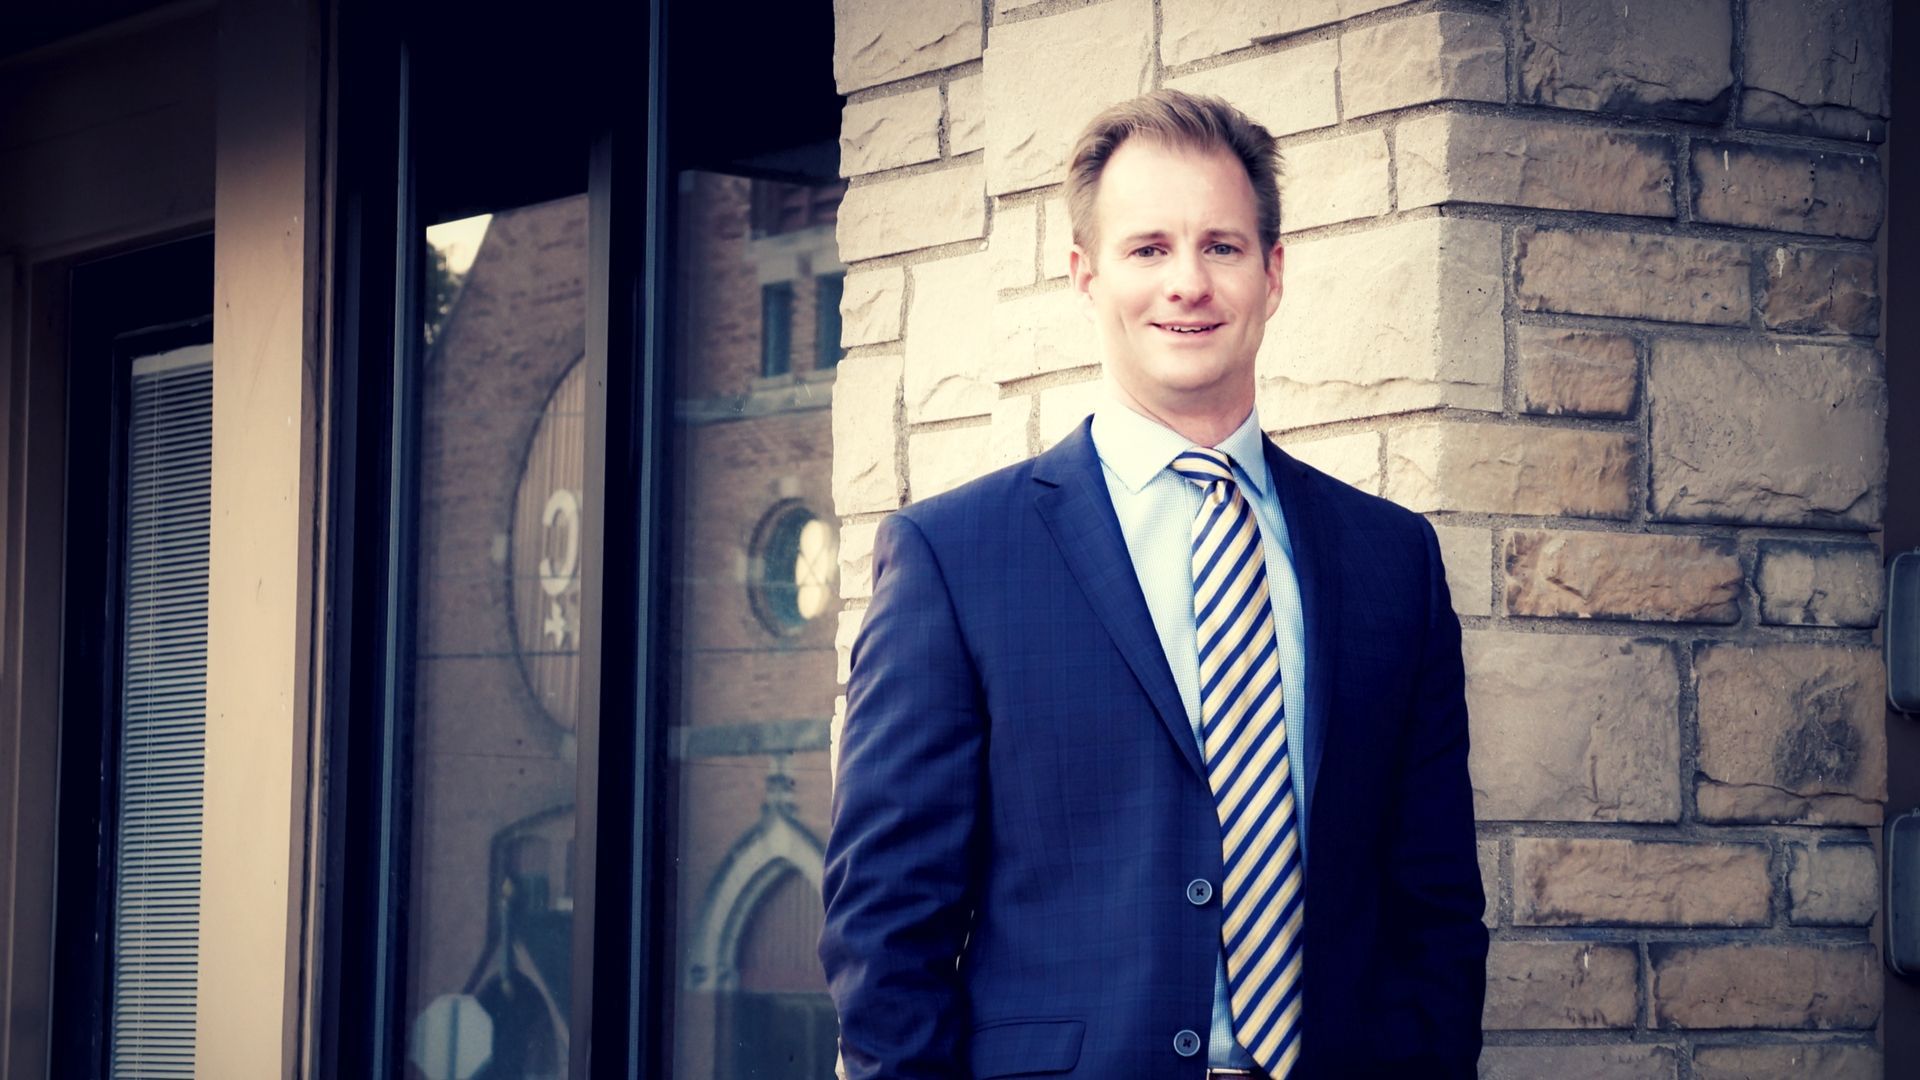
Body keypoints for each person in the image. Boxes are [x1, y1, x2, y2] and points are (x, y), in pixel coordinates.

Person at [819, 89, 1487, 1079]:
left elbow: (1436, 906)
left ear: (1273, 272)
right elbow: (885, 927)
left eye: (1221, 246)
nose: (1189, 283)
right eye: (1148, 249)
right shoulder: (954, 557)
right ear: (1086, 276)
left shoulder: (1394, 559)